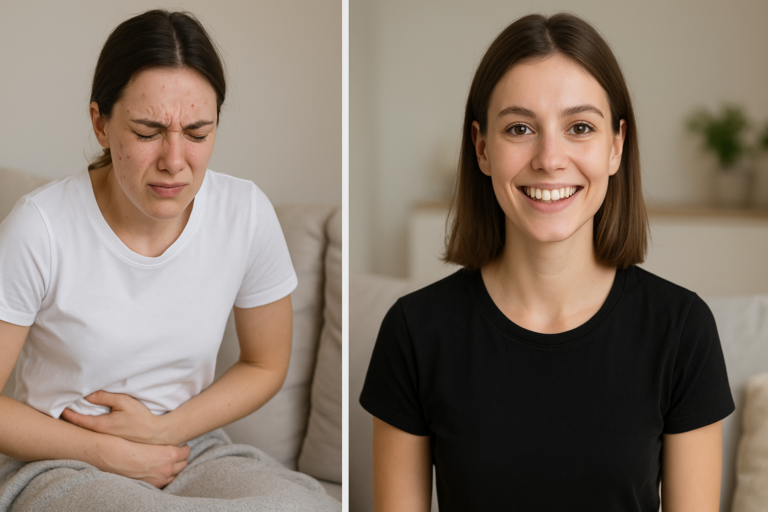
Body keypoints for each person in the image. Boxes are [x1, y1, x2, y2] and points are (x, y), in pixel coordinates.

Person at [360, 12, 734, 512]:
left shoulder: (682, 330)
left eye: (580, 127)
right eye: (519, 128)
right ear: (482, 148)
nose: (550, 158)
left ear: (616, 146)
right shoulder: (414, 331)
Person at [0, 10, 339, 511]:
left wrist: (161, 431)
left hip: (187, 450)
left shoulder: (244, 213)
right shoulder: (41, 225)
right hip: (59, 459)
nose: (175, 161)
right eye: (147, 131)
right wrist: (110, 452)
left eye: (198, 134)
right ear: (100, 123)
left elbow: (265, 362)